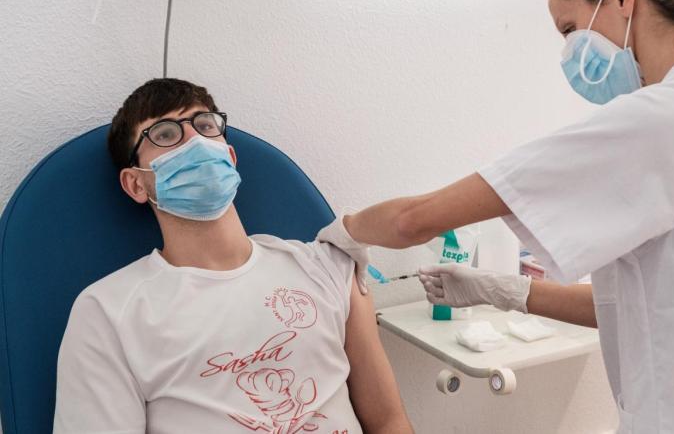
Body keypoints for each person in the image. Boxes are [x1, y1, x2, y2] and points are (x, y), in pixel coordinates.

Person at [316, 0, 674, 432]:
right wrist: (503, 290)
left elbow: (413, 221)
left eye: (570, 30)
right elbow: (645, 303)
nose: (570, 53)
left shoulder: (660, 118)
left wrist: (343, 231)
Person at [53, 79, 413, 434]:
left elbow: (388, 422)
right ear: (135, 183)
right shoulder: (107, 313)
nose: (194, 140)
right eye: (165, 134)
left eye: (205, 125)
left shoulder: (324, 265)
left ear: (230, 156)